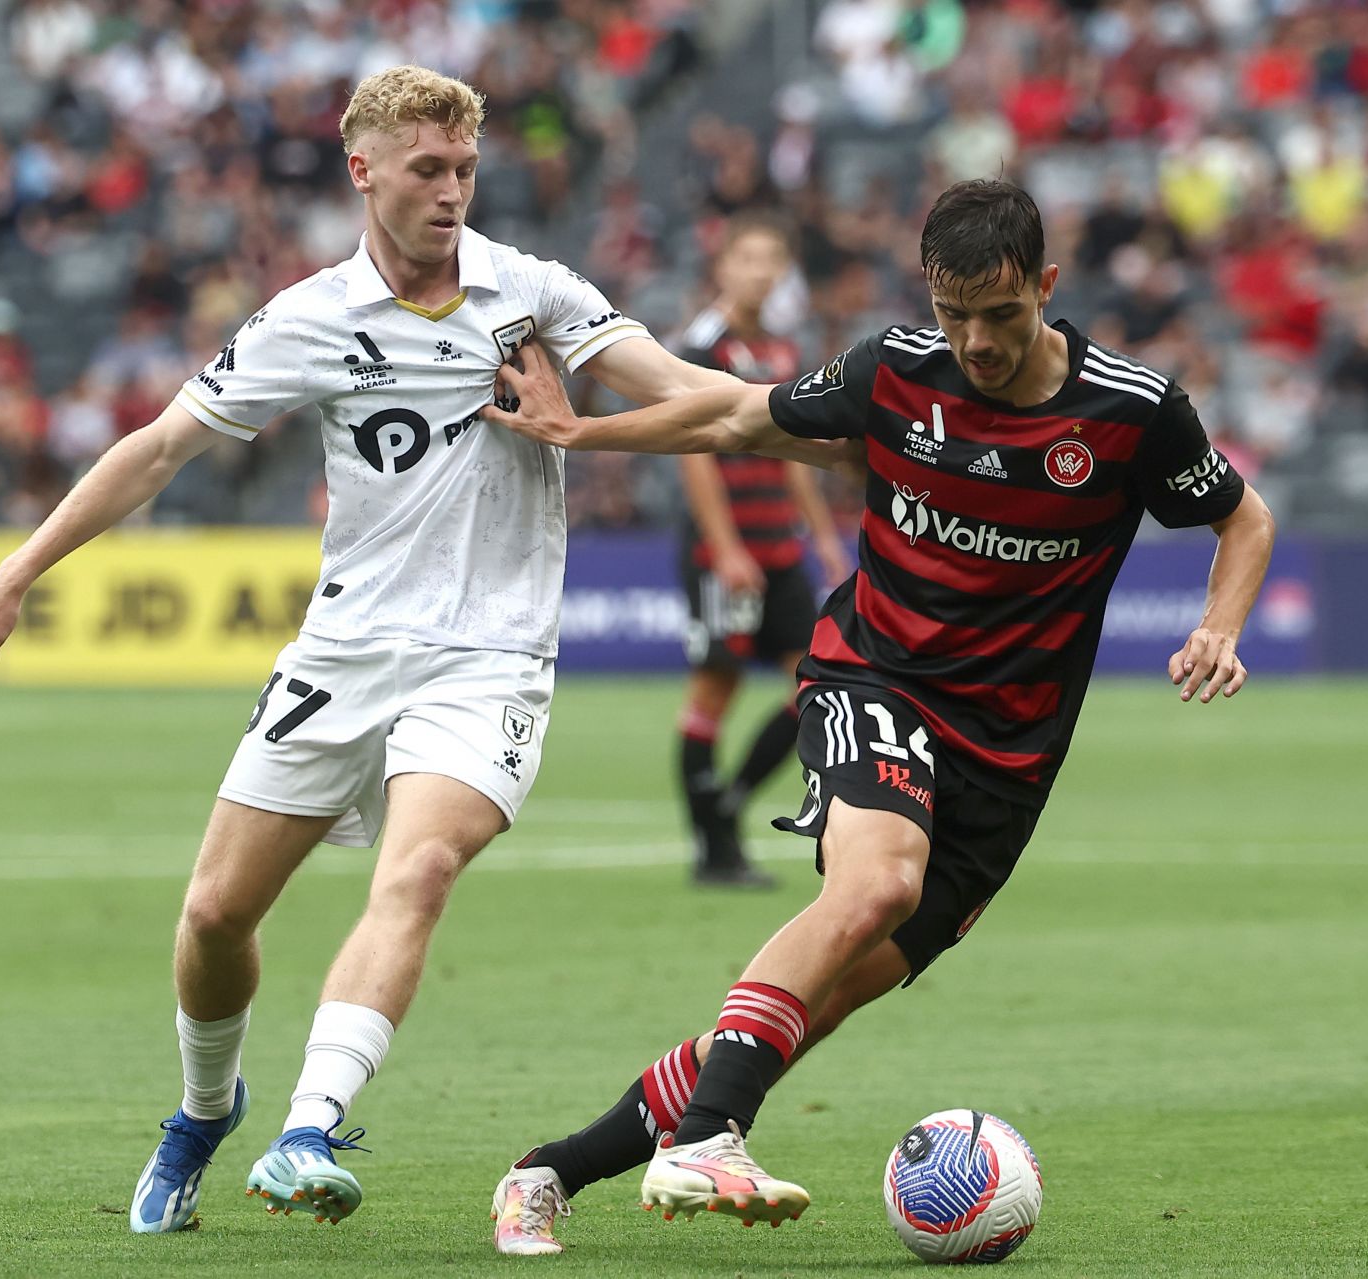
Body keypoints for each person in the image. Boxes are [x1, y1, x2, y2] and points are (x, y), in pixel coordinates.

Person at [0, 65, 841, 1237]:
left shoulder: (533, 296)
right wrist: (16, 571)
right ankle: (207, 1111)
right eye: (428, 169)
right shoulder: (311, 317)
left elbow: (701, 398)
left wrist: (824, 425)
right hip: (347, 647)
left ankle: (310, 1125)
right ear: (362, 170)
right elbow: (160, 449)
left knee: (416, 870)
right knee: (214, 915)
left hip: (490, 657)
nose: (453, 191)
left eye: (466, 170)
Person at [478, 179, 1276, 1255]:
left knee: (826, 995)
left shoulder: (1129, 411)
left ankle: (551, 1169)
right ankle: (709, 1135)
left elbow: (1244, 518)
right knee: (876, 882)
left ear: (1045, 286)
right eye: (955, 313)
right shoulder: (896, 369)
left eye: (1000, 313)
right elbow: (732, 411)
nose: (976, 341)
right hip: (874, 674)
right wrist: (580, 430)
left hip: (1008, 756)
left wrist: (1220, 627)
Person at [672, 217, 849, 887]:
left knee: (814, 683)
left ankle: (729, 800)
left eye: (772, 257)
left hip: (780, 546)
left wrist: (825, 539)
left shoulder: (779, 347)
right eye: (748, 257)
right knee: (714, 687)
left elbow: (793, 450)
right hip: (729, 550)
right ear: (723, 268)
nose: (761, 270)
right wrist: (724, 547)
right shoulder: (701, 344)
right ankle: (713, 849)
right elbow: (693, 450)